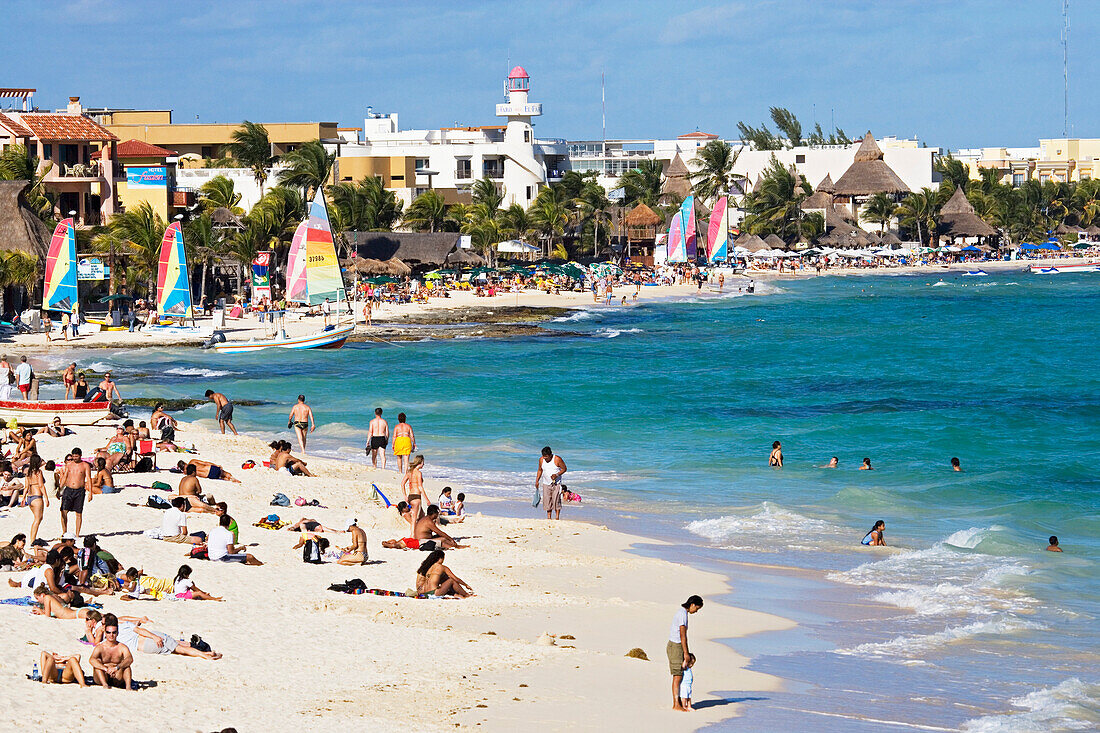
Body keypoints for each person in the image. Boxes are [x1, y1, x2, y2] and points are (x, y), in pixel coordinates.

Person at [668, 595, 703, 712]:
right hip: (676, 646)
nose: (696, 611)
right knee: (677, 675)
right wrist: (686, 653)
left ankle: (678, 703)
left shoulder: (682, 612)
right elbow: (683, 636)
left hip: (676, 646)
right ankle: (676, 704)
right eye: (697, 608)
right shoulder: (682, 614)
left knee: (679, 674)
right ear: (692, 605)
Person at [90, 614, 134, 689]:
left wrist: (116, 668)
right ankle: (105, 685)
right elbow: (92, 660)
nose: (111, 635)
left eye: (114, 632)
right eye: (108, 632)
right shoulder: (100, 647)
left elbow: (130, 659)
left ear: (117, 633)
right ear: (105, 633)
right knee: (97, 663)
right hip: (103, 675)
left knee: (126, 666)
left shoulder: (122, 647)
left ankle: (128, 687)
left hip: (117, 676)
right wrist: (105, 669)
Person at [59, 450, 93, 537]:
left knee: (78, 513)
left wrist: (90, 492)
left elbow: (88, 479)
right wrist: (60, 489)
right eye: (73, 456)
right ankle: (64, 532)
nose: (74, 458)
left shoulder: (85, 465)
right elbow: (65, 476)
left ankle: (77, 534)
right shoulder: (69, 465)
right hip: (68, 489)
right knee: (63, 511)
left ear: (80, 455)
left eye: (76, 456)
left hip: (79, 491)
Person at [535, 446, 567, 521]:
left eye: (546, 457)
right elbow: (540, 470)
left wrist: (557, 475)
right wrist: (537, 480)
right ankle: (549, 517)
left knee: (556, 500)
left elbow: (564, 468)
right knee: (547, 500)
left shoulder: (557, 459)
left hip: (556, 483)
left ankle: (557, 517)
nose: (545, 458)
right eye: (543, 456)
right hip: (546, 483)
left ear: (550, 455)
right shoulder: (541, 460)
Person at [23, 454, 47, 544]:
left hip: (30, 497)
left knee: (37, 518)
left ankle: (33, 538)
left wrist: (23, 498)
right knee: (38, 519)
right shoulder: (38, 472)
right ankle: (32, 540)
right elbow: (41, 485)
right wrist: (46, 497)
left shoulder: (28, 472)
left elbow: (26, 486)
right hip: (37, 497)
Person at [401, 454, 426, 525]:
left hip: (410, 496)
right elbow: (420, 487)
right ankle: (413, 534)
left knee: (422, 515)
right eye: (423, 462)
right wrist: (427, 499)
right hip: (417, 496)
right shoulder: (418, 473)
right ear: (420, 462)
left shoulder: (409, 472)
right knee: (414, 518)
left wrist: (405, 496)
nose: (423, 464)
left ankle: (419, 530)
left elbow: (402, 484)